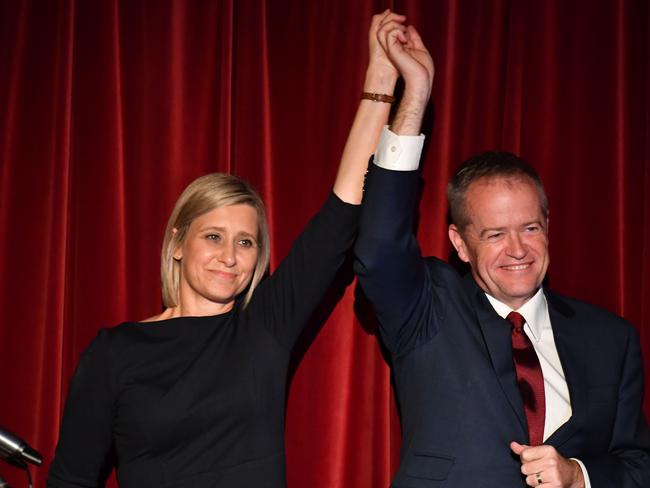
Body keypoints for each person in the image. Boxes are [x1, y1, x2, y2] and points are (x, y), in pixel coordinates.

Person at [47, 11, 409, 488]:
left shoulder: (264, 329)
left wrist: (380, 79)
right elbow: (71, 480)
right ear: (177, 242)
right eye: (213, 236)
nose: (230, 256)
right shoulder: (115, 353)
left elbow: (341, 212)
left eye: (246, 242)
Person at [354, 19, 650, 488]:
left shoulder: (611, 339)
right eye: (494, 235)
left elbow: (637, 464)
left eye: (530, 228)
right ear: (459, 244)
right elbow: (378, 245)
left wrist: (579, 475)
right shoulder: (427, 307)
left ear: (548, 226)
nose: (517, 250)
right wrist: (416, 97)